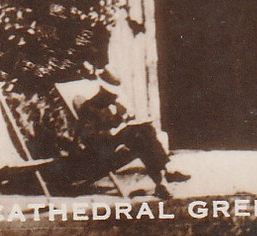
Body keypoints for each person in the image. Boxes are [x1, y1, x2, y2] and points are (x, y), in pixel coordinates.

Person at [68, 70, 178, 198]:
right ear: (103, 93)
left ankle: (163, 178)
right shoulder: (89, 109)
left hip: (109, 144)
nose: (115, 98)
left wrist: (123, 119)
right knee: (136, 134)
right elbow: (90, 138)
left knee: (145, 129)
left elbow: (111, 126)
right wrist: (119, 121)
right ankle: (162, 179)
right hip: (98, 153)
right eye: (113, 95)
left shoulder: (105, 106)